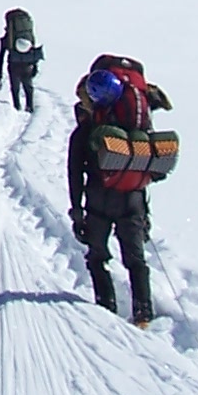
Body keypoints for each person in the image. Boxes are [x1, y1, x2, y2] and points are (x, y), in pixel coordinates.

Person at [66, 54, 174, 326]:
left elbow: (75, 173)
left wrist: (77, 211)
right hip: (133, 200)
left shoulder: (86, 131)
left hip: (98, 202)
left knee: (97, 257)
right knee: (136, 260)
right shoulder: (138, 127)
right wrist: (144, 212)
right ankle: (143, 314)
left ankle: (106, 307)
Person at [0, 8, 43, 112]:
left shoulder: (8, 39)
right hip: (28, 64)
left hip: (14, 64)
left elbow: (1, 55)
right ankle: (29, 106)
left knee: (15, 87)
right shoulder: (27, 35)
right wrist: (35, 65)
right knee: (28, 86)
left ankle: (17, 107)